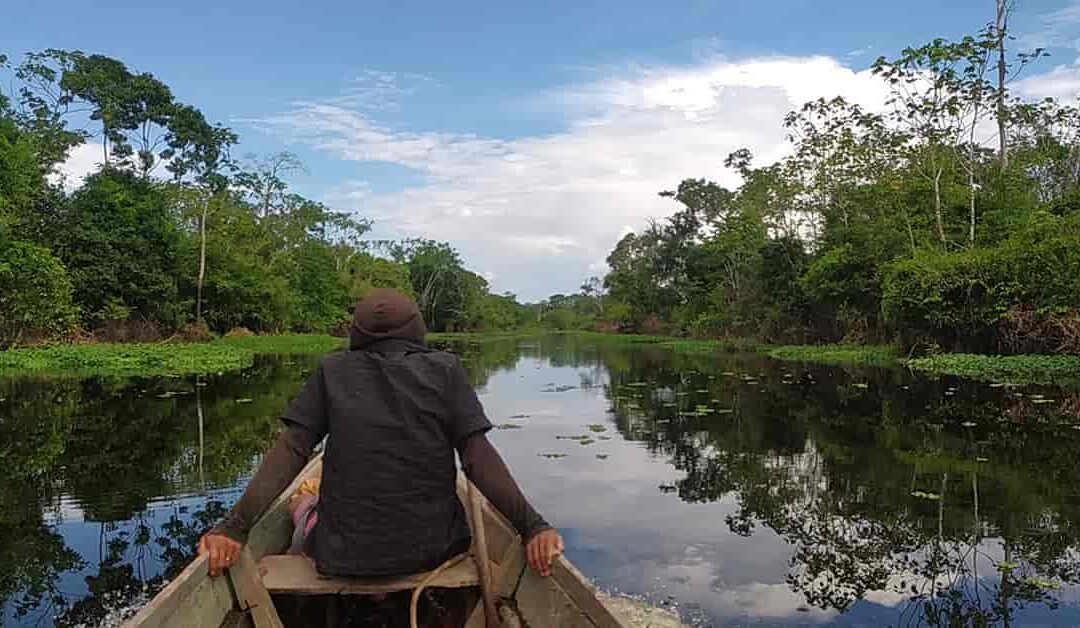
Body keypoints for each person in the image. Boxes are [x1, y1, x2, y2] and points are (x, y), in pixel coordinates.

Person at [199, 288, 564, 584]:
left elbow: (292, 448)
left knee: (302, 505)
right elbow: (476, 457)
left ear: (356, 334)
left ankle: (305, 512)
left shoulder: (332, 370)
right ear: (417, 329)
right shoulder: (446, 371)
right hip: (434, 551)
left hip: (341, 557)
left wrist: (234, 528)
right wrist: (533, 526)